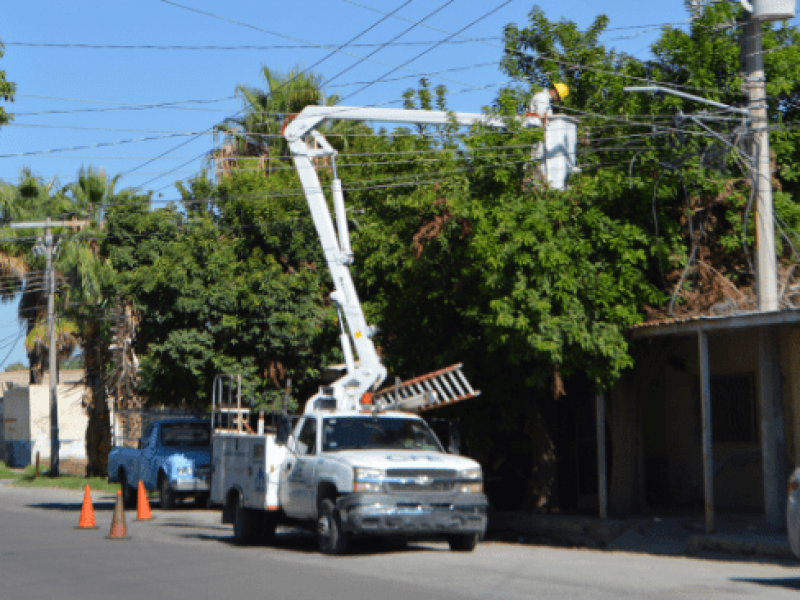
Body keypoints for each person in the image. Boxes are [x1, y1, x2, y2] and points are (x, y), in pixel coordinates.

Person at [525, 83, 570, 189]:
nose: (557, 100)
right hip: (535, 132)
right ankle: (531, 178)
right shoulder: (542, 97)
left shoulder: (547, 100)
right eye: (558, 98)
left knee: (540, 157)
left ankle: (537, 179)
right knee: (535, 156)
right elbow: (542, 116)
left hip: (539, 133)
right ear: (555, 92)